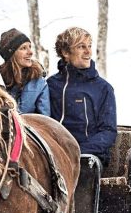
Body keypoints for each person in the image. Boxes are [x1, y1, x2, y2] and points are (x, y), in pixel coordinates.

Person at [47, 27, 117, 165]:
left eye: (89, 46)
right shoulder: (51, 85)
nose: (88, 52)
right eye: (81, 46)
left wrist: (78, 151)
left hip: (87, 158)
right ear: (65, 52)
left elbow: (108, 132)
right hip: (53, 154)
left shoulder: (103, 88)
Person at [0, 28, 50, 115]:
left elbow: (45, 120)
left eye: (30, 47)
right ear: (11, 54)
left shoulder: (38, 81)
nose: (30, 52)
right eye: (23, 48)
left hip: (29, 127)